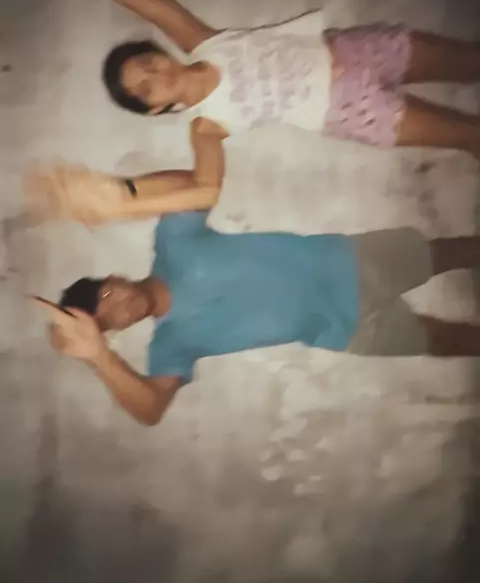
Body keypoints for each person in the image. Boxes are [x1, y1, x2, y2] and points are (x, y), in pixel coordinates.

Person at [4, 0, 480, 221]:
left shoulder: (200, 39)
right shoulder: (207, 127)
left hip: (359, 48)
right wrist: (119, 200)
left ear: (161, 52)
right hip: (351, 109)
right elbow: (205, 190)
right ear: (155, 110)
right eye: (146, 89)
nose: (157, 76)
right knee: (470, 135)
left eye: (148, 63)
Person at [33, 166, 480, 427]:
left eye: (108, 294)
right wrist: (98, 356)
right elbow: (150, 410)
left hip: (349, 261)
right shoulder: (170, 346)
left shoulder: (172, 244)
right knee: (443, 341)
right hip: (344, 330)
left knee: (450, 252)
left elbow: (190, 183)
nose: (119, 308)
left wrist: (119, 195)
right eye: (108, 319)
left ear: (114, 276)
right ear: (114, 330)